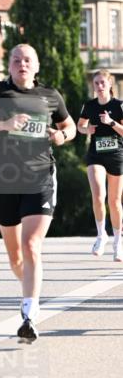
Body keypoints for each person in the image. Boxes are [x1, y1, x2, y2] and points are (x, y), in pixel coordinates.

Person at [0, 43, 76, 342]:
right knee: (15, 257)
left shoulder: (49, 96)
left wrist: (61, 135)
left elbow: (71, 126)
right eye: (15, 60)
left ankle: (29, 313)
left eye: (27, 60)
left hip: (40, 177)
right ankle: (29, 287)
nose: (21, 64)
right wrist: (4, 123)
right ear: (9, 65)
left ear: (36, 67)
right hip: (4, 180)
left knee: (32, 244)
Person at [76, 69, 123, 260]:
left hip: (116, 155)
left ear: (110, 84)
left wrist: (111, 122)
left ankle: (118, 241)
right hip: (96, 155)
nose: (99, 87)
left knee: (115, 201)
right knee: (98, 195)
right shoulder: (89, 106)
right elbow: (79, 126)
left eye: (103, 83)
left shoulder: (119, 105)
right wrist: (87, 129)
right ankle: (101, 234)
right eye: (96, 83)